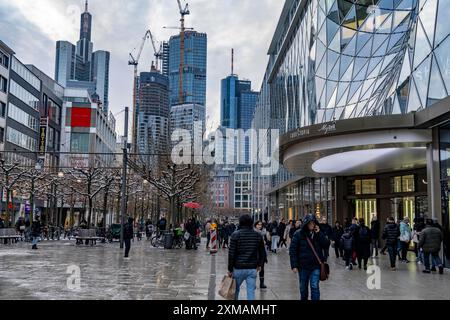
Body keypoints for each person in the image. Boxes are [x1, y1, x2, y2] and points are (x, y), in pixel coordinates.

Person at [289, 214, 330, 301]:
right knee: (303, 288)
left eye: (313, 223)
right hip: (303, 266)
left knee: (314, 286)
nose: (312, 225)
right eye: (310, 223)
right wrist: (294, 265)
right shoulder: (298, 234)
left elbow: (326, 245)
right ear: (306, 224)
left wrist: (319, 233)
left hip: (316, 266)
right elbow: (293, 250)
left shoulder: (318, 233)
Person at [227, 214, 265, 300]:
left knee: (235, 291)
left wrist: (230, 269)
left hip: (238, 268)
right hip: (252, 268)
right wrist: (259, 265)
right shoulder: (258, 235)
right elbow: (262, 252)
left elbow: (231, 254)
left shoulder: (235, 235)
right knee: (251, 292)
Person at [254, 220, 268, 289]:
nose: (260, 226)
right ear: (255, 225)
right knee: (254, 269)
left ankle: (261, 283)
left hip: (262, 253)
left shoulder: (263, 233)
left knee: (262, 269)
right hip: (255, 254)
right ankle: (253, 283)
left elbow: (266, 242)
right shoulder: (254, 233)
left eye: (261, 225)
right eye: (258, 224)